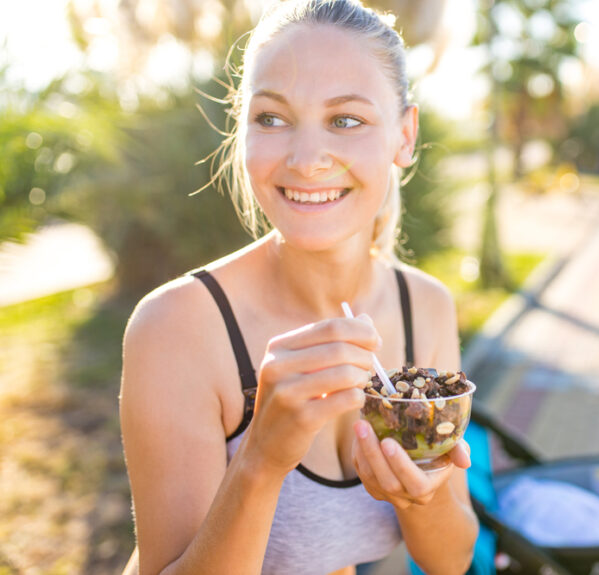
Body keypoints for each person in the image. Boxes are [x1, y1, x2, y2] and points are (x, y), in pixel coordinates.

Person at [119, 1, 479, 574]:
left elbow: (451, 558)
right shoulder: (177, 329)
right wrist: (260, 459)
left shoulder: (425, 308)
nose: (307, 160)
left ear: (404, 137)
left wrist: (422, 495)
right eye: (271, 118)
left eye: (346, 120)